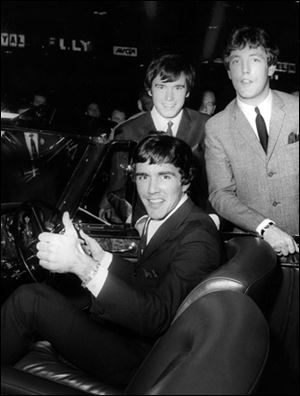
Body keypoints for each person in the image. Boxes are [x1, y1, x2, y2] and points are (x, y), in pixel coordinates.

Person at [1, 134, 221, 387]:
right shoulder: (172, 221)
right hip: (130, 337)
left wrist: (82, 267)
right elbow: (149, 279)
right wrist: (101, 258)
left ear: (186, 180)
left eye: (165, 176)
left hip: (143, 362)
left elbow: (157, 317)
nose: (151, 190)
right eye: (142, 177)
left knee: (29, 300)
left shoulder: (198, 236)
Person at [205, 26, 299, 256]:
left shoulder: (297, 111)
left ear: (271, 67)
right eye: (236, 61)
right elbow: (220, 194)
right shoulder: (216, 127)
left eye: (255, 60)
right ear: (228, 71)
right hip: (251, 248)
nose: (244, 70)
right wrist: (264, 227)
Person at [104, 53, 211, 217]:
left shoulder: (206, 126)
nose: (169, 97)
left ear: (188, 91)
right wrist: (138, 222)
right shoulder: (127, 132)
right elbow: (117, 191)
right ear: (149, 90)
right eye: (161, 87)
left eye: (178, 88)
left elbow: (217, 187)